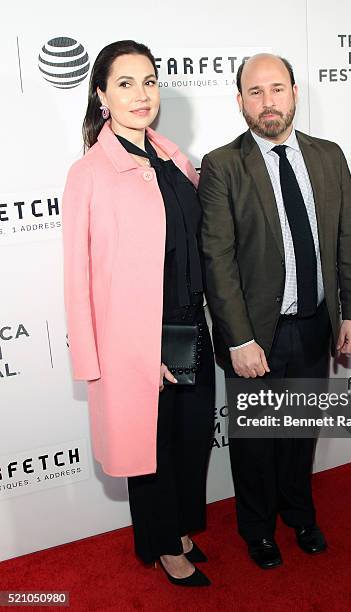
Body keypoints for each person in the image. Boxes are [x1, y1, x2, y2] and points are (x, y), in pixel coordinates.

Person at [199, 53, 351, 570]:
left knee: (300, 433)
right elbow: (217, 258)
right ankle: (257, 529)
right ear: (240, 101)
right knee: (254, 443)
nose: (267, 102)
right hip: (255, 336)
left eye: (276, 89)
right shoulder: (223, 165)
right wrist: (238, 338)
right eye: (255, 92)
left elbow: (349, 238)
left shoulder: (328, 156)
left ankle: (299, 513)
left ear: (295, 91)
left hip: (315, 324)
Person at [62, 40, 214, 587]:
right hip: (136, 338)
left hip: (191, 323)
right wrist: (98, 358)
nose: (141, 93)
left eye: (149, 80)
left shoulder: (176, 159)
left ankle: (179, 529)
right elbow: (77, 276)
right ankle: (158, 544)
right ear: (102, 94)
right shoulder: (90, 173)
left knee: (191, 436)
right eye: (125, 83)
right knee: (150, 446)